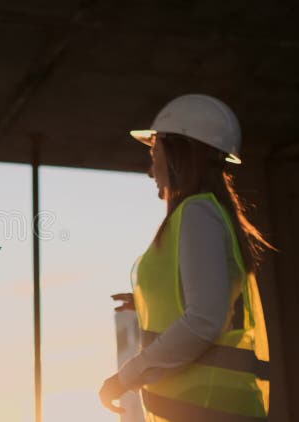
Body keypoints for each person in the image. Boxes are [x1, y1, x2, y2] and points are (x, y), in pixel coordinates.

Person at [99, 94, 273, 421]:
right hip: (202, 405)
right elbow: (209, 302)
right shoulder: (203, 214)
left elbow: (204, 321)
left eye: (154, 153)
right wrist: (149, 300)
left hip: (205, 407)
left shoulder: (197, 213)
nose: (151, 169)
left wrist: (124, 377)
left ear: (179, 152)